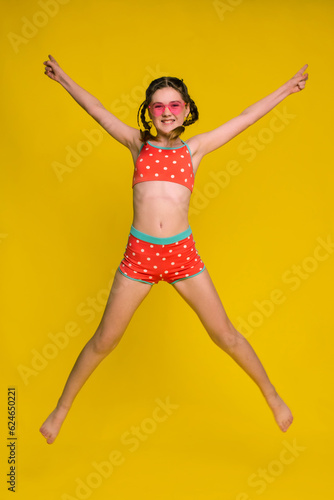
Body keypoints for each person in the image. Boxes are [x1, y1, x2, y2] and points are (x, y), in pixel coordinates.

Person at [40, 55, 308, 444]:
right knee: (104, 341)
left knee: (226, 336)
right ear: (149, 112)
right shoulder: (137, 143)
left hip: (183, 256)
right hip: (140, 257)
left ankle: (273, 397)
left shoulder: (195, 149)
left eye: (174, 104)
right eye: (158, 105)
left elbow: (247, 117)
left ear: (187, 110)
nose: (166, 112)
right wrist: (63, 78)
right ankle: (61, 409)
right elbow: (97, 110)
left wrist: (286, 88)